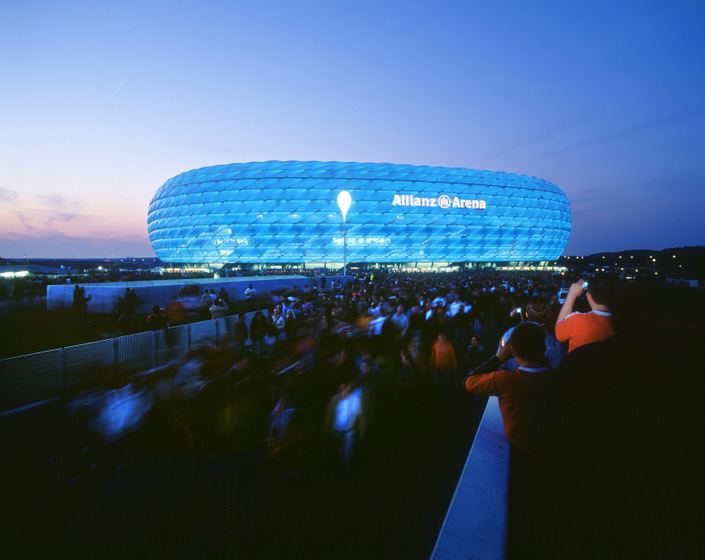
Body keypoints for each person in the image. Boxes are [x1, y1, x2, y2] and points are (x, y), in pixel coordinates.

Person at [464, 321, 554, 455]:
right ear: (544, 349)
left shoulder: (505, 380)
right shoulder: (557, 377)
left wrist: (498, 358)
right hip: (549, 447)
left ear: (513, 351)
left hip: (518, 451)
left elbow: (469, 382)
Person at [555, 275, 616, 353]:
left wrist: (572, 294)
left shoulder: (577, 320)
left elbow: (559, 334)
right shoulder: (623, 324)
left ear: (588, 296)